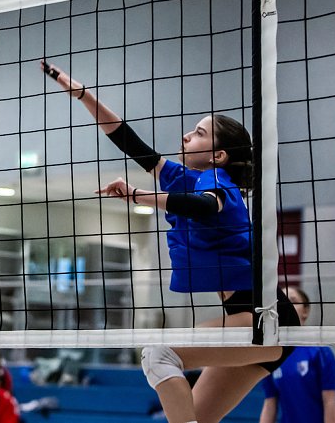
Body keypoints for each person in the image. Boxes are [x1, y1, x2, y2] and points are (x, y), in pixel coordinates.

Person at [41, 61, 300, 423]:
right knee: (195, 416)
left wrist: (138, 196)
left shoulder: (218, 180)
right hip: (255, 321)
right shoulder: (187, 179)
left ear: (217, 155)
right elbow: (129, 141)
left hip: (263, 318)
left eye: (198, 133)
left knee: (159, 354)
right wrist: (83, 95)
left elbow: (204, 207)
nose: (186, 136)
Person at [259, 286, 335, 423]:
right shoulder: (269, 353)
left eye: (293, 301)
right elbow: (269, 403)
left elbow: (329, 401)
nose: (286, 306)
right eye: (281, 302)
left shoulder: (320, 351)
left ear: (305, 312)